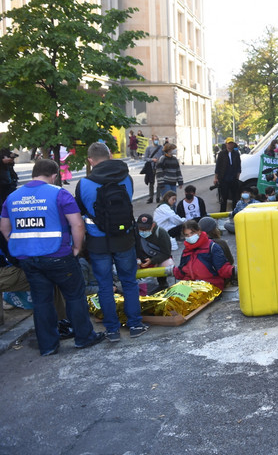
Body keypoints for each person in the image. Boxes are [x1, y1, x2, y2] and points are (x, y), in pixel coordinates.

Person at [0, 159, 105, 355]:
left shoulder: (12, 197)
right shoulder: (59, 193)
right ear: (54, 175)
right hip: (59, 256)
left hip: (29, 260)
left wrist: (19, 244)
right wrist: (76, 248)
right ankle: (84, 337)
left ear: (33, 173)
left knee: (41, 302)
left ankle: (48, 346)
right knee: (74, 296)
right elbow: (77, 224)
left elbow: (4, 228)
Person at [75, 142, 148, 342]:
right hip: (124, 238)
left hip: (98, 242)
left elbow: (80, 212)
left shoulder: (84, 184)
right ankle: (135, 324)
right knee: (129, 282)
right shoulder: (126, 178)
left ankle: (112, 330)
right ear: (109, 155)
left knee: (105, 286)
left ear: (90, 161)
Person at [172, 220, 235, 291]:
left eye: (192, 233)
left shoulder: (212, 247)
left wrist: (233, 271)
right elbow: (181, 272)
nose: (190, 236)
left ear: (199, 232)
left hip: (210, 285)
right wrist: (172, 270)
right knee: (168, 298)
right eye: (187, 235)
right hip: (191, 285)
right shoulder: (186, 250)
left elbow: (223, 268)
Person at [134, 213, 173, 294]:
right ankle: (137, 287)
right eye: (141, 228)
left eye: (146, 228)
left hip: (156, 258)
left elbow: (166, 253)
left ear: (153, 225)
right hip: (141, 260)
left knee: (168, 264)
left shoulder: (161, 233)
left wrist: (153, 261)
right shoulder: (135, 233)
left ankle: (162, 283)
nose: (143, 231)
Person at [214, 137, 242, 212]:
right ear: (226, 144)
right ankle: (222, 213)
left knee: (235, 197)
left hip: (233, 178)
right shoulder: (221, 154)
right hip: (223, 179)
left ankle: (234, 211)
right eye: (229, 143)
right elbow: (218, 166)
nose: (230, 145)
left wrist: (237, 177)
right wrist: (216, 178)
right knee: (224, 197)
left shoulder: (236, 154)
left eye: (232, 143)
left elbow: (239, 166)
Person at [143, 135, 163, 203]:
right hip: (151, 167)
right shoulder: (149, 148)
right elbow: (145, 158)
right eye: (155, 139)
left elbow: (164, 156)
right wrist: (152, 159)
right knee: (151, 182)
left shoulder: (161, 147)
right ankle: (151, 197)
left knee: (159, 182)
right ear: (152, 140)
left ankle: (158, 197)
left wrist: (160, 160)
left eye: (157, 139)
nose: (156, 140)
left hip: (159, 167)